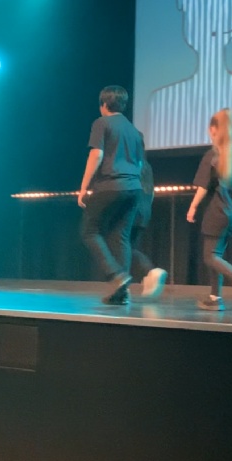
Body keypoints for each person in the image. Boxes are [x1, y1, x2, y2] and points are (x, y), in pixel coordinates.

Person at [79, 85, 143, 305]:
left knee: (89, 231)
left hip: (110, 185)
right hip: (134, 187)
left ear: (104, 104)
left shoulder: (101, 123)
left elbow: (96, 155)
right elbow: (140, 163)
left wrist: (84, 187)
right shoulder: (135, 131)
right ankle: (122, 293)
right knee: (120, 236)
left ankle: (116, 275)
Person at [186, 108, 232, 311]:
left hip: (217, 212)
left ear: (214, 129)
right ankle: (215, 297)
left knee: (210, 256)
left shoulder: (213, 155)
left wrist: (192, 207)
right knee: (215, 256)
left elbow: (202, 187)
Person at [130, 141, 167, 297]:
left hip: (132, 209)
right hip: (144, 210)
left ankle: (149, 271)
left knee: (121, 246)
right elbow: (151, 192)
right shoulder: (146, 165)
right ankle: (145, 277)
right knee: (128, 247)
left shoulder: (130, 164)